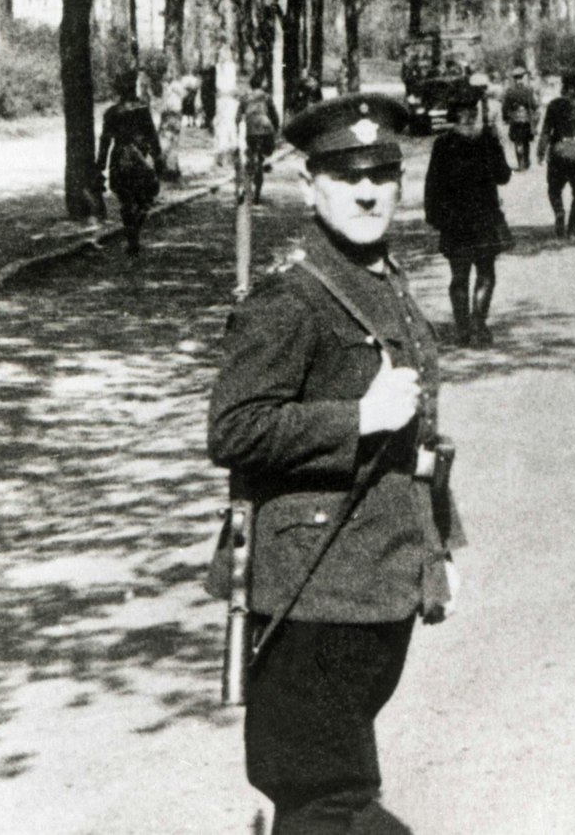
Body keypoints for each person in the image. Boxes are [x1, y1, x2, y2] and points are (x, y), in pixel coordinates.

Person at [206, 93, 461, 835]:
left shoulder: (382, 280)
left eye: (382, 174)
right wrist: (356, 417)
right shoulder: (293, 296)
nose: (368, 191)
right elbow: (234, 427)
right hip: (311, 591)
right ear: (308, 185)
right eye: (347, 176)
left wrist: (436, 545)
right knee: (327, 800)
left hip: (377, 584)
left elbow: (418, 443)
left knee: (328, 796)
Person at [424, 96, 512, 345]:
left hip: (455, 220)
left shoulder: (443, 143)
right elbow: (504, 176)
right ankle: (478, 327)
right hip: (484, 216)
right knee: (486, 272)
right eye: (471, 111)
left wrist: (434, 216)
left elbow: (432, 183)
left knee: (458, 275)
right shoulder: (487, 140)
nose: (472, 115)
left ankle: (463, 329)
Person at [97, 70, 163, 255]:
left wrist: (100, 164)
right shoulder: (141, 109)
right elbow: (151, 134)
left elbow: (105, 140)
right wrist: (157, 156)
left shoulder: (111, 112)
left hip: (119, 158)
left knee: (126, 200)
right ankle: (134, 232)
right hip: (139, 160)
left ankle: (131, 237)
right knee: (145, 199)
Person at [537, 77, 575, 241]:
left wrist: (541, 151)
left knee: (554, 189)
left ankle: (559, 212)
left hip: (558, 151)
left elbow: (546, 130)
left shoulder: (554, 105)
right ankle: (573, 228)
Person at [240, 71, 281, 202]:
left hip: (251, 131)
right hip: (265, 129)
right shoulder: (266, 97)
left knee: (251, 153)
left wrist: (237, 126)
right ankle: (266, 161)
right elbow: (274, 114)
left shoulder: (245, 97)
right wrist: (277, 125)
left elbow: (238, 115)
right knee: (267, 150)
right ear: (261, 85)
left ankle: (252, 165)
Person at [503, 67, 539, 171]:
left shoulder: (510, 91)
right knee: (526, 141)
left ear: (514, 79)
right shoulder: (528, 90)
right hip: (526, 119)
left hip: (514, 120)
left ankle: (520, 163)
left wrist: (505, 118)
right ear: (522, 78)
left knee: (517, 141)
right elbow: (533, 105)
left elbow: (505, 107)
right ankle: (526, 161)